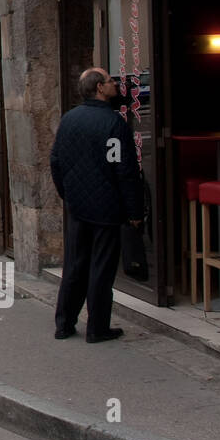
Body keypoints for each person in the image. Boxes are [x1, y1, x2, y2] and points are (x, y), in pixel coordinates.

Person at [49, 67, 145, 343]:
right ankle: (97, 327)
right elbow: (124, 171)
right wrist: (135, 211)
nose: (115, 84)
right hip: (106, 209)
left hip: (77, 208)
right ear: (100, 88)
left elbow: (55, 161)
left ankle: (64, 323)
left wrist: (66, 193)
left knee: (75, 265)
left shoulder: (69, 120)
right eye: (110, 80)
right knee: (101, 268)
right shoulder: (113, 124)